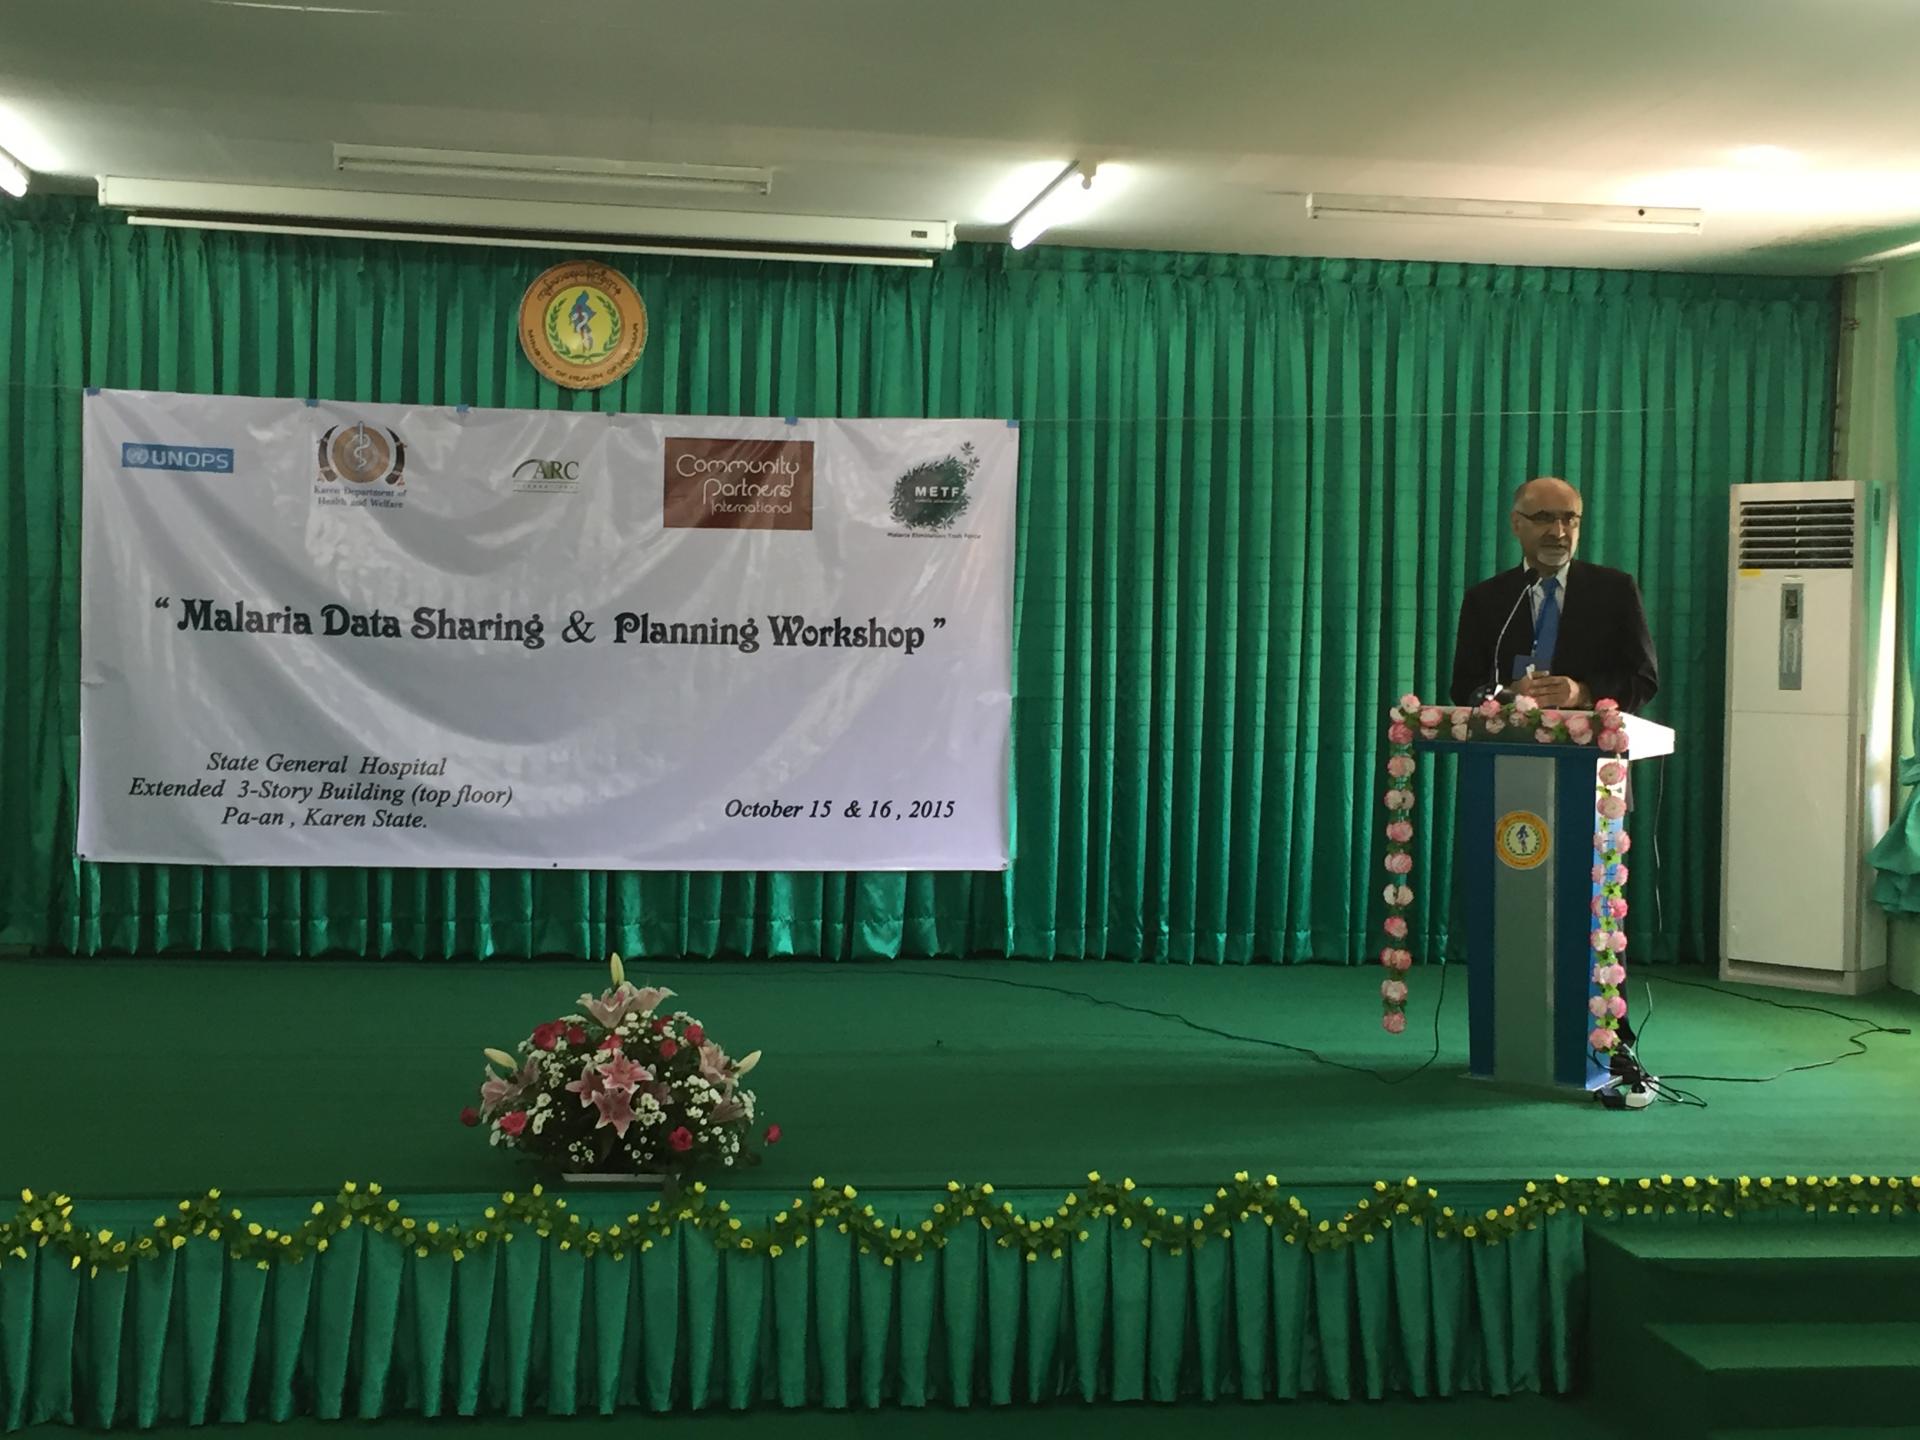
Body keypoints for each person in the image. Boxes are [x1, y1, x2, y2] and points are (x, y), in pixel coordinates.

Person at [1448, 477, 1659, 712]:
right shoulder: (1485, 598)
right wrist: (1507, 695)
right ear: (1516, 524)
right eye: (1544, 518)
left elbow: (1643, 678)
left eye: (1570, 520)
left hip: (1590, 743)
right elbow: (1464, 687)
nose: (1558, 532)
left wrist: (1584, 693)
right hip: (1508, 741)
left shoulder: (1615, 590)